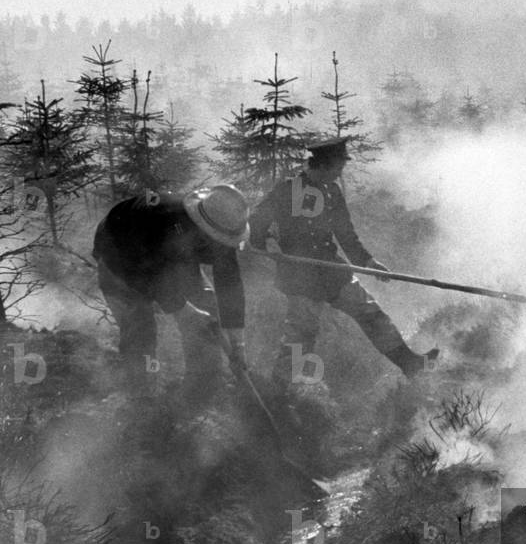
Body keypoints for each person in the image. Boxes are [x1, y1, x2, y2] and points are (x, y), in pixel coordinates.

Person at [248, 137, 437, 393]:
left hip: (332, 270)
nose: (340, 173)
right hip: (298, 275)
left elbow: (346, 234)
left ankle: (408, 362)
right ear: (323, 165)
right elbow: (256, 220)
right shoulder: (288, 189)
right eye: (338, 167)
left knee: (370, 312)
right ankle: (279, 390)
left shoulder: (332, 192)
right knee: (301, 334)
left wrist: (368, 261)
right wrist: (268, 242)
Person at [93, 185, 250, 395]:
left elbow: (230, 283)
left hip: (172, 257)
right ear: (201, 227)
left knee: (207, 308)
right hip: (121, 253)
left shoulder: (223, 229)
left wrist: (238, 344)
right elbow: (152, 276)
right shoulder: (162, 222)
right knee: (139, 327)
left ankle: (202, 386)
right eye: (215, 239)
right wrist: (184, 311)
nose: (221, 245)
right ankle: (142, 394)